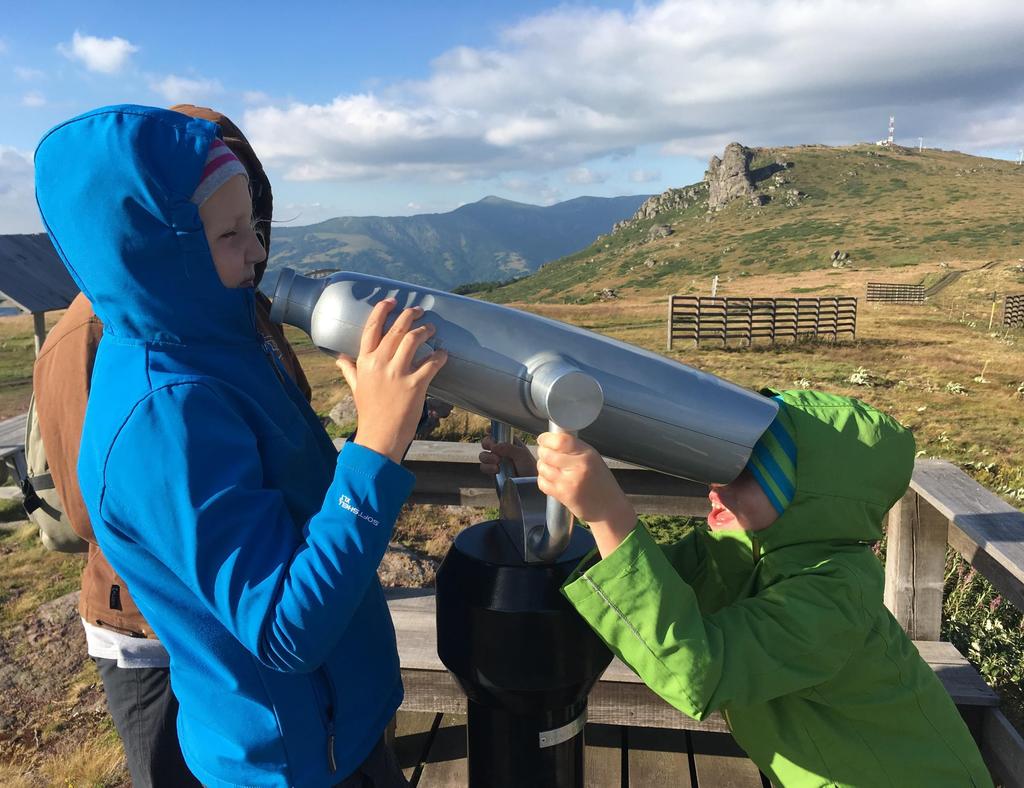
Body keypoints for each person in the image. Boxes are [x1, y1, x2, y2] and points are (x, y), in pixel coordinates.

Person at [34, 104, 446, 787]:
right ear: (157, 250)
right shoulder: (164, 416)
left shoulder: (218, 340)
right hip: (295, 765)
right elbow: (285, 630)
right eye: (229, 234)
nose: (257, 250)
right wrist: (375, 445)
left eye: (253, 224)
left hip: (338, 735)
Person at [481, 389, 993, 787]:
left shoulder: (832, 594)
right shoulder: (738, 548)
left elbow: (697, 673)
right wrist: (547, 493)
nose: (715, 486)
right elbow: (639, 586)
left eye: (748, 474)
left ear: (807, 500)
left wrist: (609, 514)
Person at [32, 105, 309, 787]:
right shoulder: (98, 337)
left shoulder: (234, 315)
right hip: (150, 628)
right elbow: (88, 504)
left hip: (234, 607)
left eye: (254, 218)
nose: (256, 250)